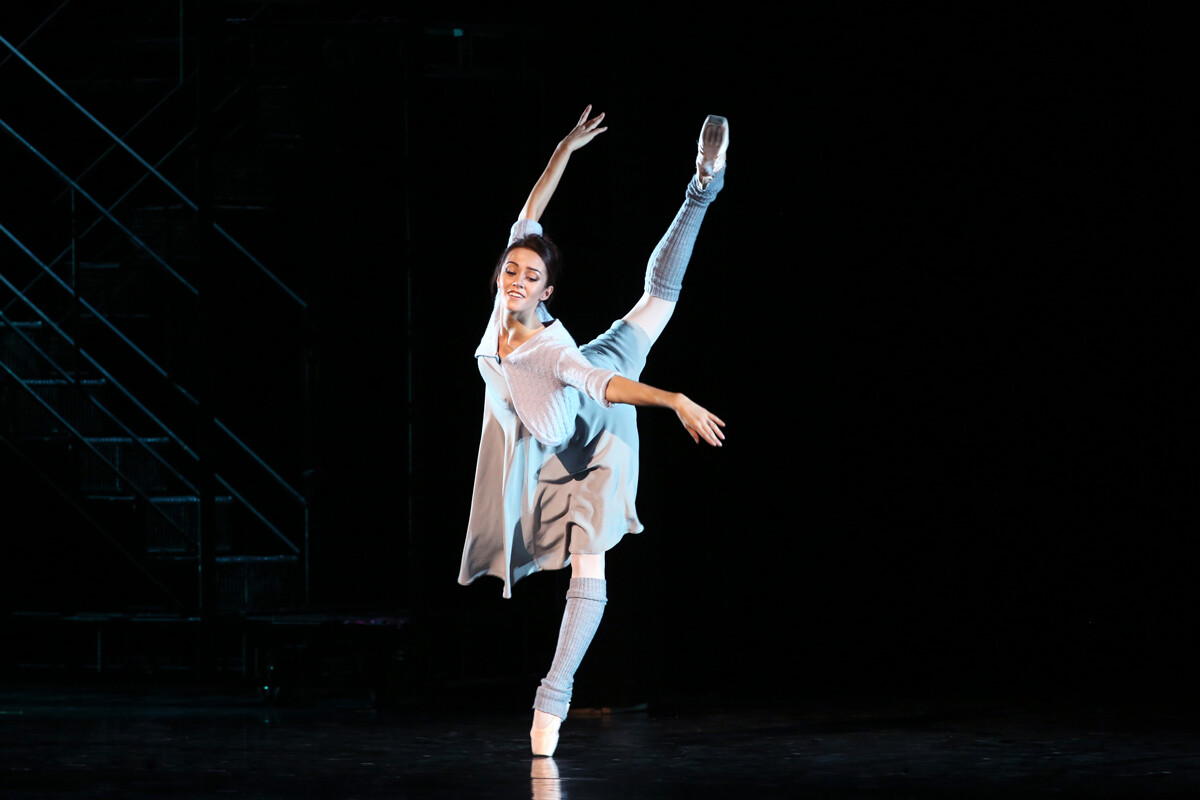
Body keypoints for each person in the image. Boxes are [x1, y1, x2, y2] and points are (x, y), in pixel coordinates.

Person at [458, 106, 729, 757]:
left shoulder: (550, 351)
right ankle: (705, 189)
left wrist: (674, 399)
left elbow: (606, 389)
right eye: (511, 270)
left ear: (548, 291)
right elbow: (530, 212)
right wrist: (564, 147)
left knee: (590, 566)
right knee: (656, 298)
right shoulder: (503, 307)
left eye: (530, 276)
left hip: (599, 435)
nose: (518, 281)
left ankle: (552, 701)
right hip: (575, 409)